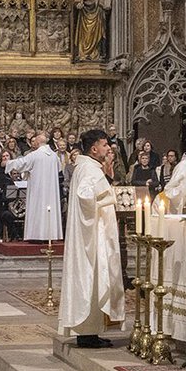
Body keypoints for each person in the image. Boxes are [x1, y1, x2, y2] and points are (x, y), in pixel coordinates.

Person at [59, 129, 124, 348]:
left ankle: (91, 332)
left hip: (95, 232)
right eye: (105, 145)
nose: (109, 148)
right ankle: (87, 334)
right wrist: (108, 197)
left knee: (95, 280)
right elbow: (85, 196)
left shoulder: (88, 167)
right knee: (93, 278)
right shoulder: (89, 169)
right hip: (92, 237)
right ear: (94, 148)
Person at [5, 131, 63, 241]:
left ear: (38, 142)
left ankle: (37, 235)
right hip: (51, 190)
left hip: (38, 189)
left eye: (35, 140)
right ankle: (51, 234)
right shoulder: (54, 156)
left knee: (38, 208)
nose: (33, 143)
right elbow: (59, 169)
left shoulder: (35, 155)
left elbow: (21, 163)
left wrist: (8, 163)